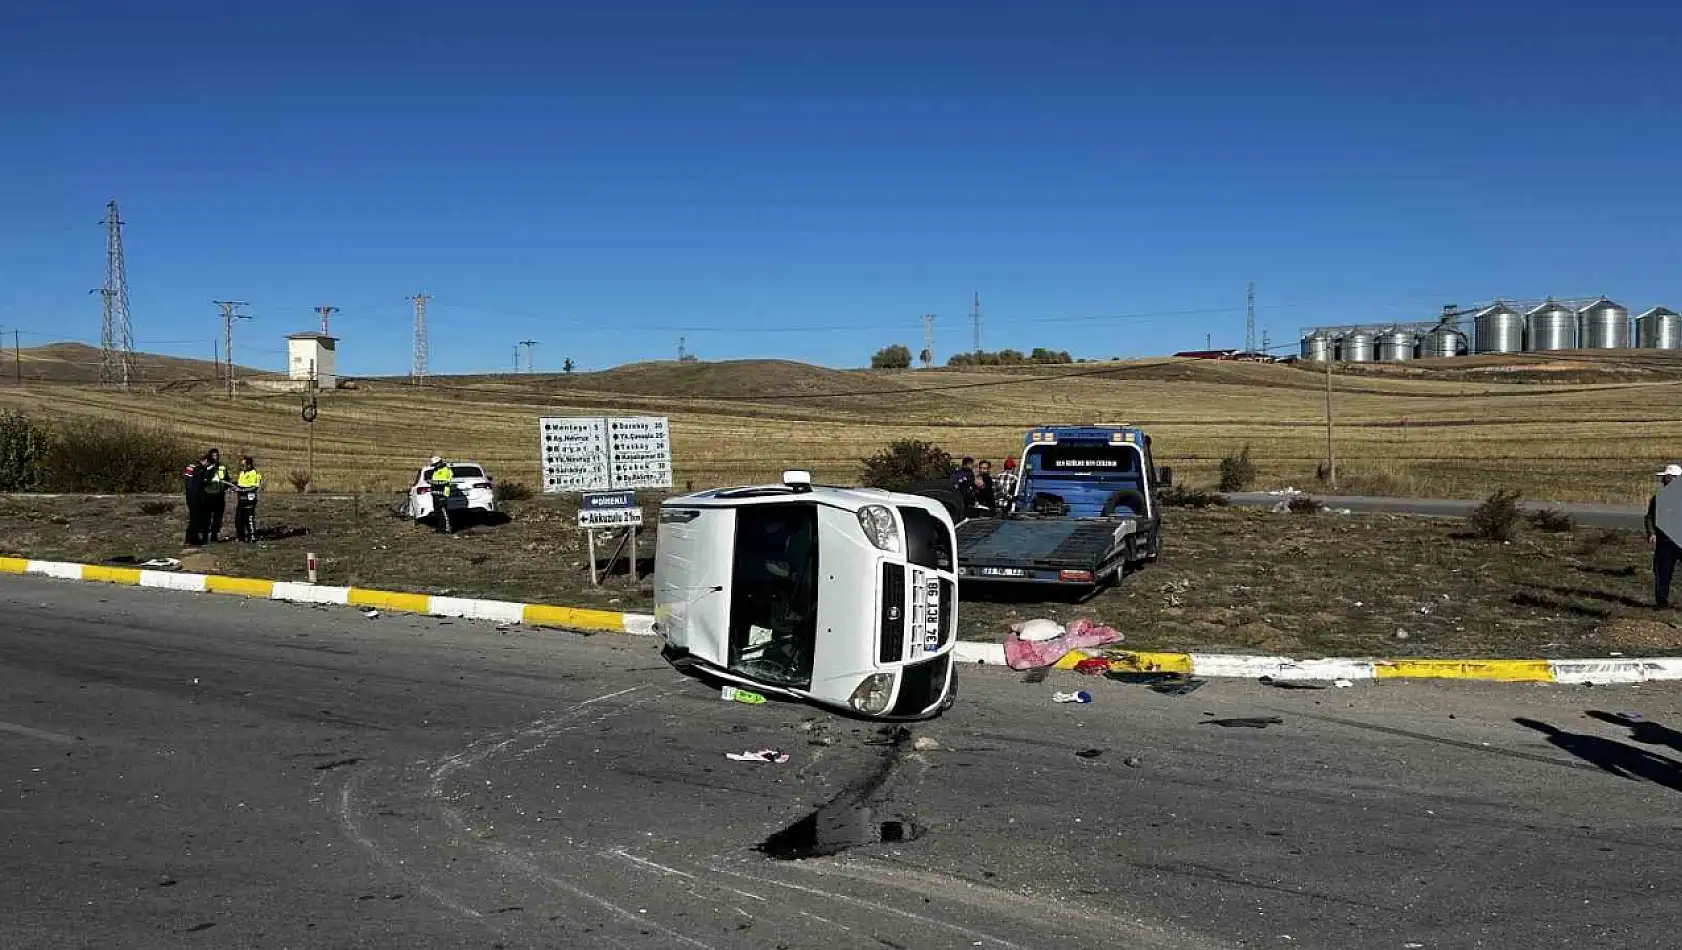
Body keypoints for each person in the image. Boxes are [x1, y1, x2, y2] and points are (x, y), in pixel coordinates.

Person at [1646, 463, 1682, 608]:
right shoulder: (1658, 498)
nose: (1663, 480)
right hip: (1665, 543)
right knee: (1662, 572)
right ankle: (1661, 602)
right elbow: (1649, 517)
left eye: (1666, 477)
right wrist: (1651, 532)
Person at [181, 451, 212, 545]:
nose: (208, 466)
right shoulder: (197, 468)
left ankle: (192, 539)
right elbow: (194, 484)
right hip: (194, 497)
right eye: (208, 463)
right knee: (194, 518)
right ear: (206, 461)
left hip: (193, 496)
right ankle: (191, 539)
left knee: (195, 518)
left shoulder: (196, 467)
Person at [201, 448, 230, 542]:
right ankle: (205, 536)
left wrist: (226, 487)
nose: (216, 458)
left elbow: (227, 479)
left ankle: (214, 536)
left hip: (220, 496)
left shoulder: (223, 467)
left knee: (218, 518)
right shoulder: (205, 467)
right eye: (214, 456)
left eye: (217, 456)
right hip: (208, 495)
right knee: (206, 517)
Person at [234, 456, 263, 543]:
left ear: (249, 465)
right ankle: (240, 537)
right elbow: (240, 484)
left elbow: (254, 487)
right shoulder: (242, 473)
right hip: (241, 499)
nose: (242, 467)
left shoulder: (255, 474)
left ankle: (252, 536)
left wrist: (242, 490)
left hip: (249, 499)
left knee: (249, 518)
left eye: (243, 465)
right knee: (238, 519)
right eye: (241, 465)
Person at [427, 457, 456, 534]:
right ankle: (440, 529)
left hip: (442, 494)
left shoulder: (447, 470)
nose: (434, 466)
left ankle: (447, 529)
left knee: (443, 512)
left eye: (435, 464)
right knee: (437, 513)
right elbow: (434, 481)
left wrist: (433, 482)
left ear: (439, 463)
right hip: (435, 494)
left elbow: (446, 482)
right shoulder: (435, 471)